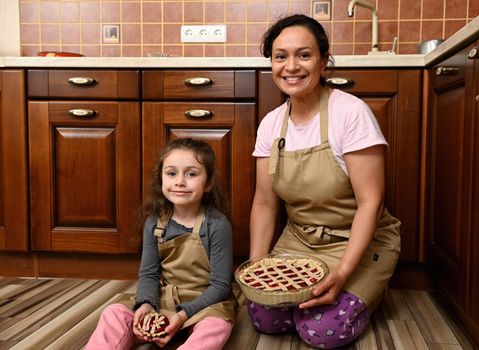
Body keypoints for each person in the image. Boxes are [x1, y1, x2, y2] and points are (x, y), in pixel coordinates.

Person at [248, 14, 401, 349]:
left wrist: (344, 272)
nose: (291, 66)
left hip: (357, 243)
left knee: (320, 330)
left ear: (322, 59)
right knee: (264, 316)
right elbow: (264, 202)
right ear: (271, 63)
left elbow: (370, 202)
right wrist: (257, 269)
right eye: (280, 56)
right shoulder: (271, 124)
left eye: (304, 55)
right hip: (300, 242)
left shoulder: (351, 113)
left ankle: (370, 288)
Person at [86, 138, 238, 350]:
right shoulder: (154, 222)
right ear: (161, 179)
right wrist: (146, 304)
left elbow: (221, 286)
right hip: (163, 300)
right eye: (171, 173)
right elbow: (149, 274)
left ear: (209, 183)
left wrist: (183, 314)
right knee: (113, 313)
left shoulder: (217, 224)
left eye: (191, 174)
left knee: (216, 326)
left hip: (205, 306)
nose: (180, 182)